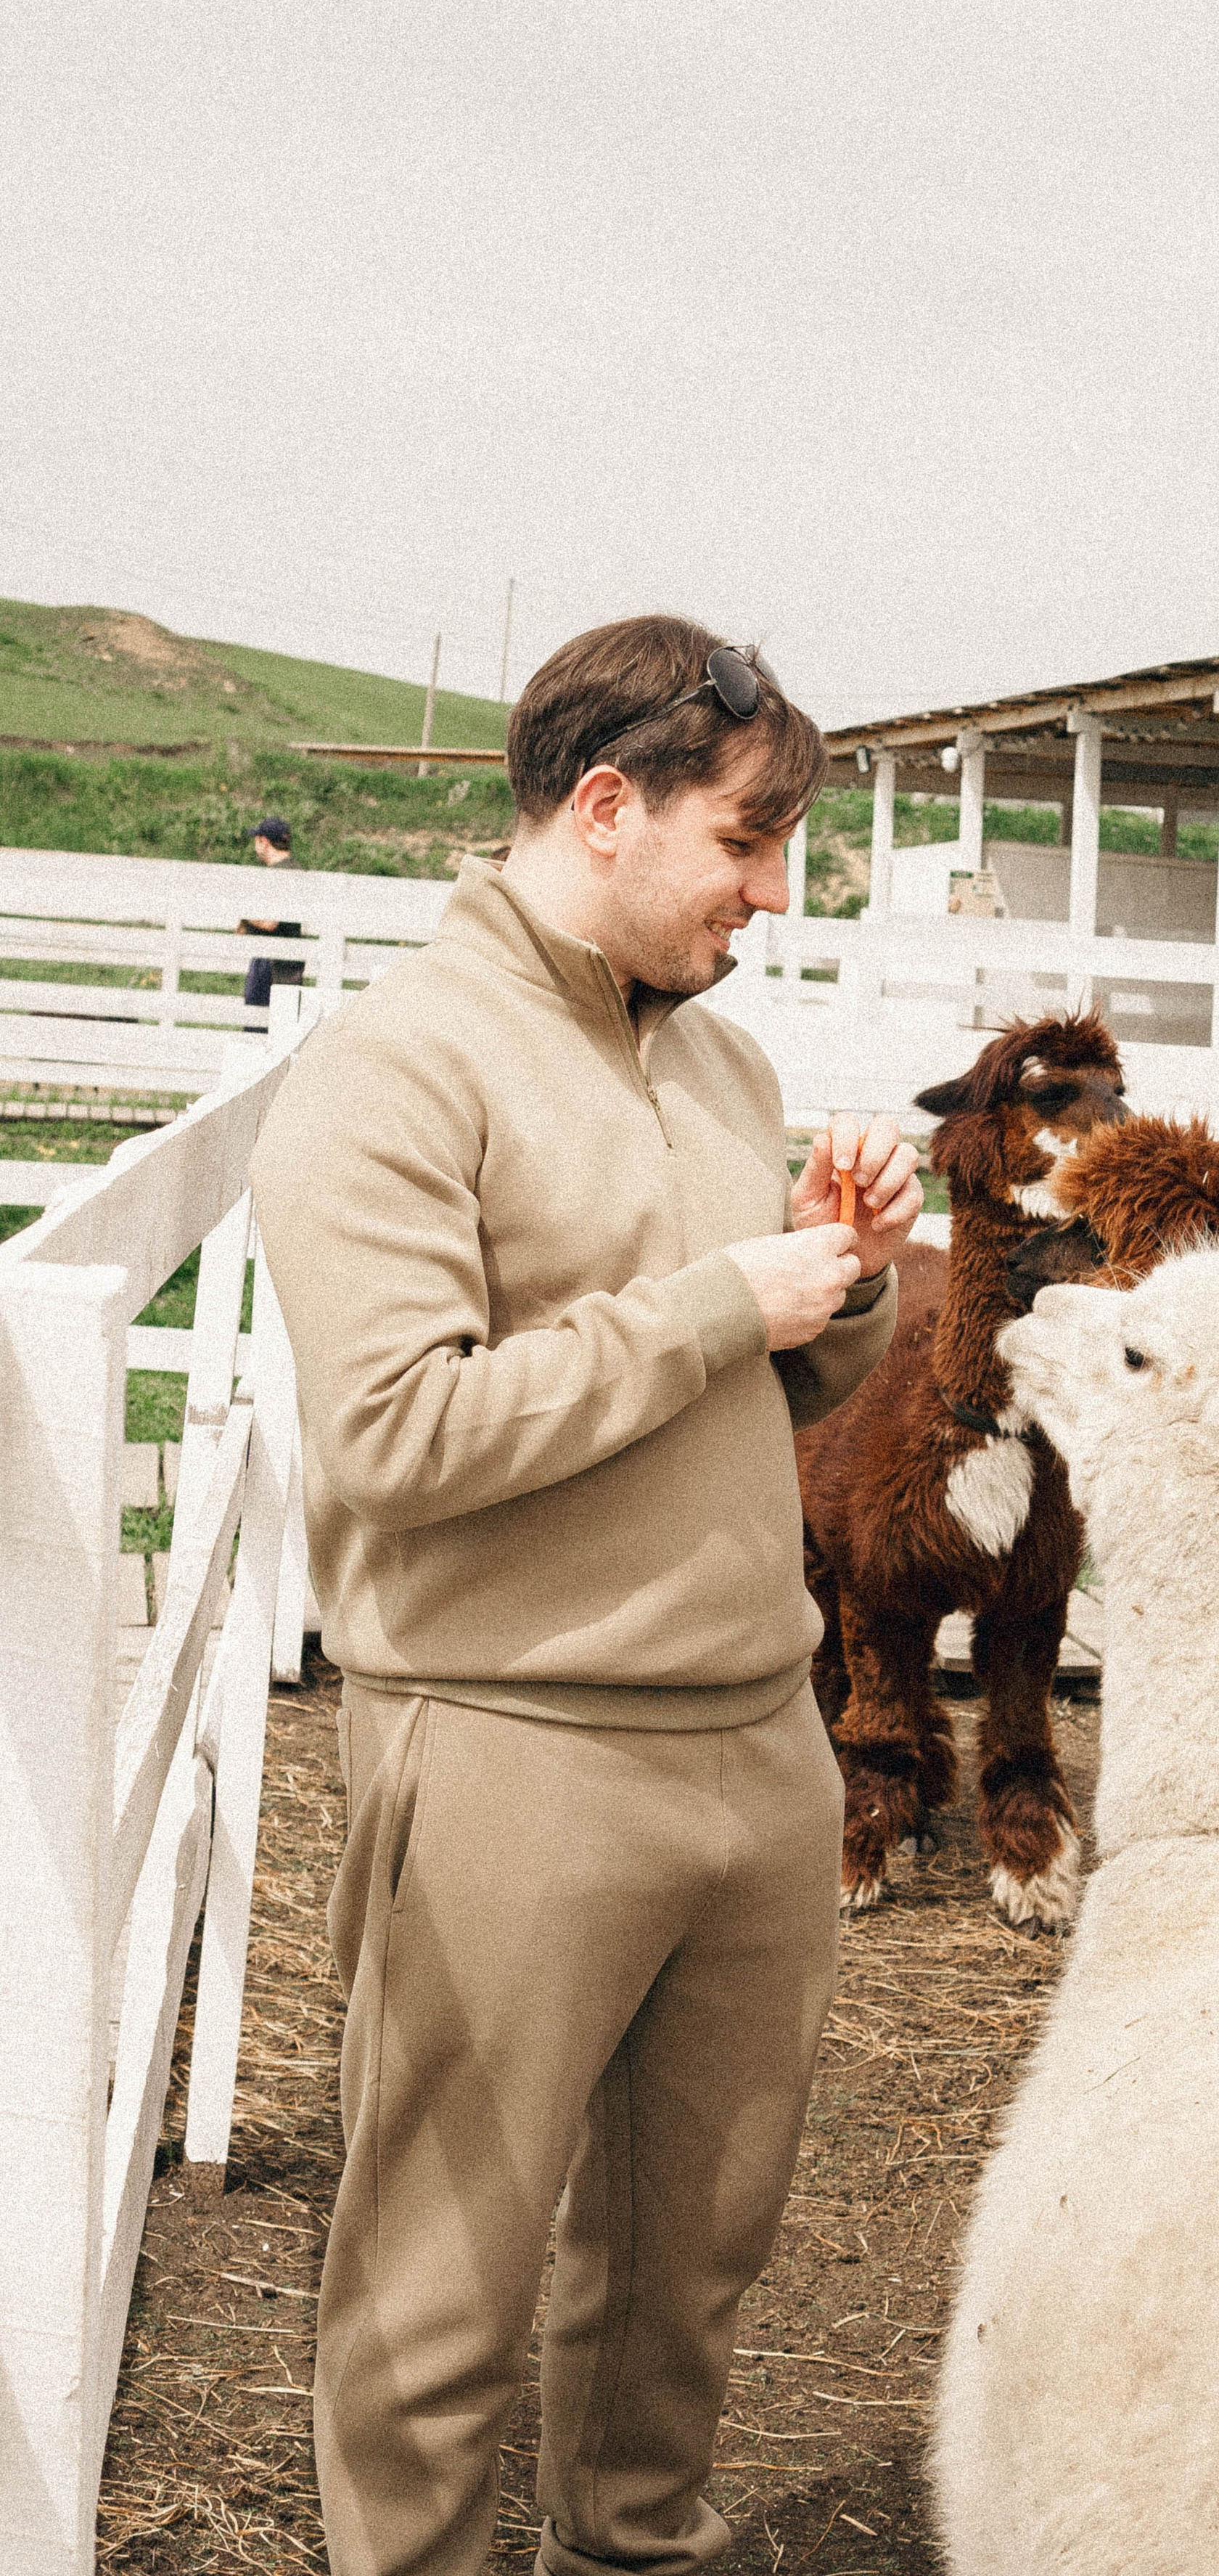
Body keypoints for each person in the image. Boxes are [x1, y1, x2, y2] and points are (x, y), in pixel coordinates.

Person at [248, 616, 922, 2576]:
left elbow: (771, 1385)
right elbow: (397, 1438)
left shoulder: (721, 1062)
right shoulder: (393, 1073)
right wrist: (727, 1299)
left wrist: (840, 1283)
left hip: (754, 1742)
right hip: (515, 1745)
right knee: (436, 2292)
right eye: (743, 841)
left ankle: (636, 2550)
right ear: (605, 807)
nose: (770, 896)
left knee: (689, 2280)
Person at [238, 813, 306, 1023]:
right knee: (284, 1027)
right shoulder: (297, 870)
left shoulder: (278, 875)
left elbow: (270, 922)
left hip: (271, 962)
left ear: (264, 842)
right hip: (290, 963)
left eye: (256, 841)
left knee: (257, 1025)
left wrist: (245, 918)